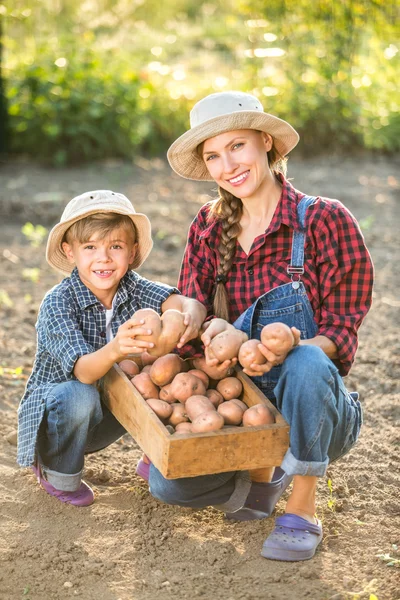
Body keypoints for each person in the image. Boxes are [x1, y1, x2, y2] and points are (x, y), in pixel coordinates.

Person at [147, 91, 374, 561]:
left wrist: (283, 343)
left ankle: (303, 507)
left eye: (237, 146)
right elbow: (194, 302)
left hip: (315, 404)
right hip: (241, 399)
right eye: (213, 155)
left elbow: (341, 334)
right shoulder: (208, 227)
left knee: (308, 360)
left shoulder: (325, 221)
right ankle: (260, 473)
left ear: (266, 142)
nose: (227, 164)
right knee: (171, 489)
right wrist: (204, 325)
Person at [17, 189, 206, 506]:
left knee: (154, 376)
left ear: (131, 253)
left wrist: (190, 311)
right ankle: (56, 471)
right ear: (70, 252)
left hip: (106, 411)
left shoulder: (132, 286)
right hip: (61, 417)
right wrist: (117, 348)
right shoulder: (58, 303)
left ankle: (156, 453)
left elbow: (175, 300)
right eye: (90, 247)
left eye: (115, 247)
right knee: (80, 393)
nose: (103, 258)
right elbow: (83, 372)